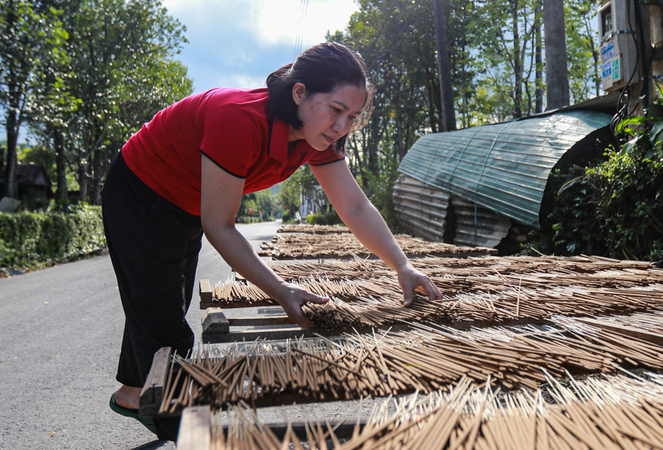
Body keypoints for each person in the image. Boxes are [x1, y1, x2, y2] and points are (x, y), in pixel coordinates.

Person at [101, 42, 443, 440]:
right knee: (166, 327)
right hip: (142, 192)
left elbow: (354, 206)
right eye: (336, 109)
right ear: (299, 93)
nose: (342, 126)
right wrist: (280, 289)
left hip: (189, 200)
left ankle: (132, 392)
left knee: (162, 301)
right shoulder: (238, 119)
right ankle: (189, 436)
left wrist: (402, 264)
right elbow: (220, 226)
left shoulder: (316, 136)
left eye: (352, 116)